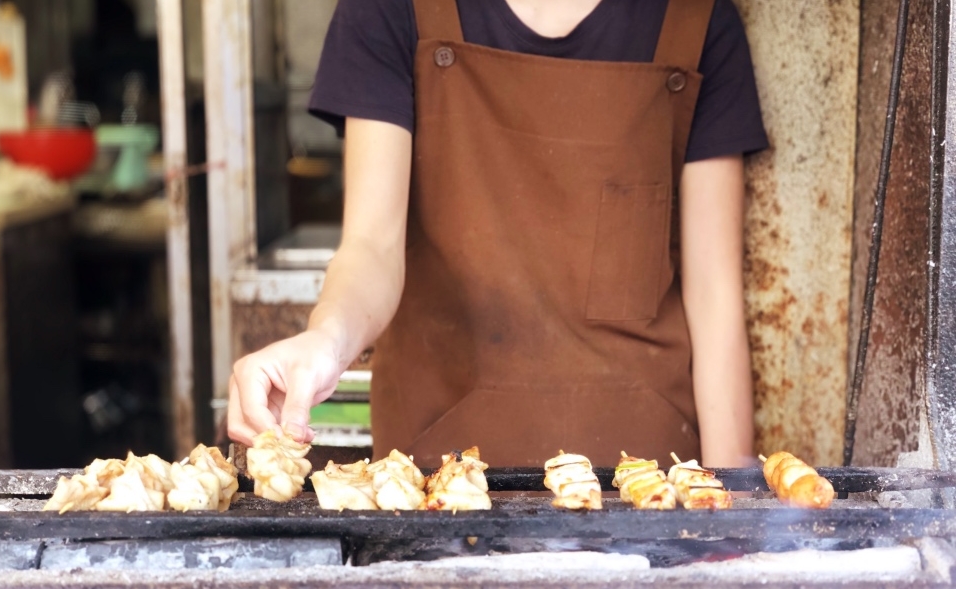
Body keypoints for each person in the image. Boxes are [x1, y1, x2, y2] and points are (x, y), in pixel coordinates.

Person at [227, 0, 769, 469]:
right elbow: (372, 247)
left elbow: (714, 298)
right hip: (439, 484)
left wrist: (731, 523)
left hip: (647, 490)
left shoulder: (697, 23)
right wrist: (327, 341)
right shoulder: (390, 10)